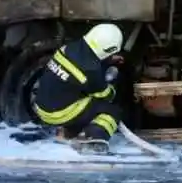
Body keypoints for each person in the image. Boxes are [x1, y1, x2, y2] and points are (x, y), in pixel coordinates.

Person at [29, 23, 127, 153]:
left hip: (41, 106)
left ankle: (67, 132)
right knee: (111, 110)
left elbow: (88, 59)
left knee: (78, 98)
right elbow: (105, 95)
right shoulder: (91, 70)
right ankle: (91, 139)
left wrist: (108, 60)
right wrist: (113, 89)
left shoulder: (69, 48)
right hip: (58, 114)